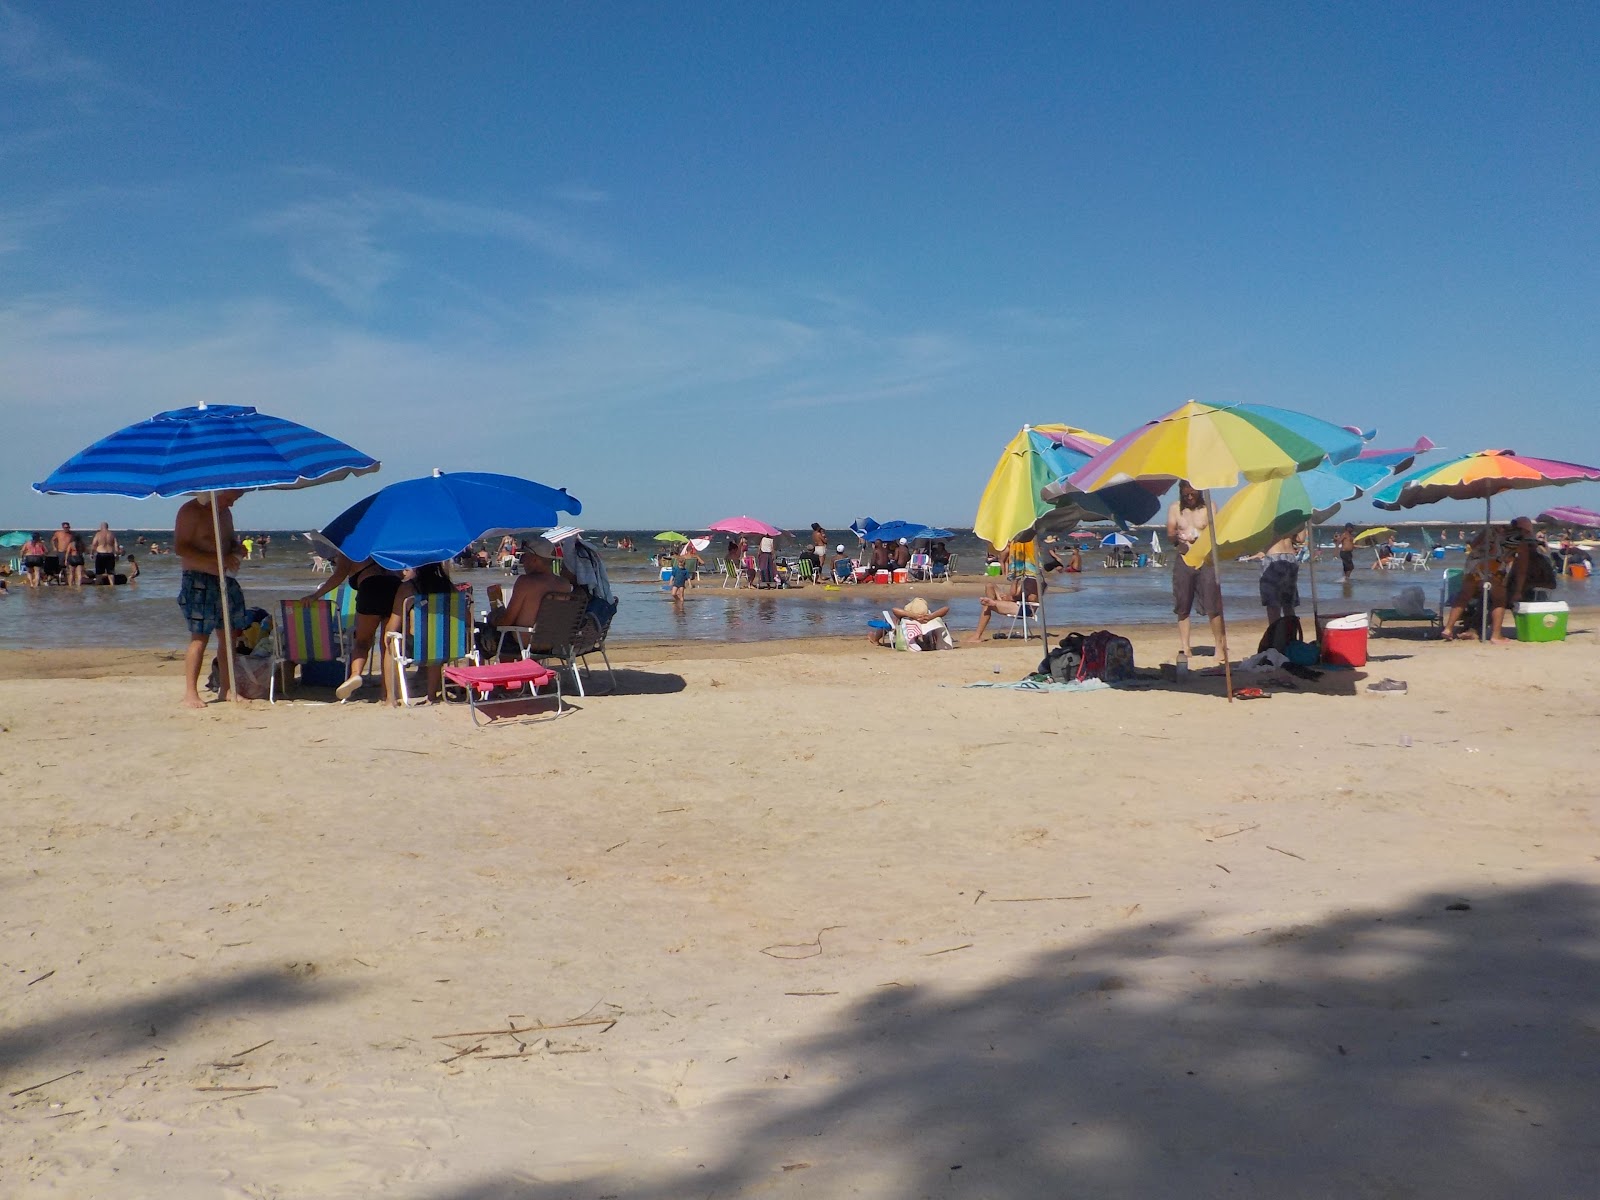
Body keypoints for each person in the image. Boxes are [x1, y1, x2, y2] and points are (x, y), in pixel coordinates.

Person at [174, 489, 247, 708]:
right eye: (229, 498)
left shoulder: (224, 513)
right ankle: (190, 692)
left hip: (225, 578)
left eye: (235, 500)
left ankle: (227, 688)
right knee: (200, 637)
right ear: (216, 492)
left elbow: (229, 541)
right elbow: (182, 548)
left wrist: (236, 550)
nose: (231, 504)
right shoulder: (191, 511)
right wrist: (219, 558)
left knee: (229, 636)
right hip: (198, 579)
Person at [306, 552, 402, 701]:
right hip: (395, 589)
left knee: (362, 642)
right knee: (388, 644)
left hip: (371, 590)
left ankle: (355, 674)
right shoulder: (385, 548)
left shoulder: (352, 550)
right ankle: (389, 696)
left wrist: (316, 595)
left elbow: (338, 577)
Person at [1166, 480, 1224, 661]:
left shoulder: (1209, 507)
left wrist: (1201, 538)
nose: (1189, 497)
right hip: (1184, 559)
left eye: (1192, 494)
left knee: (1212, 605)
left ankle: (1219, 646)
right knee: (1182, 605)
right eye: (1186, 495)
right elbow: (1169, 533)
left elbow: (1219, 532)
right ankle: (1185, 646)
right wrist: (1179, 538)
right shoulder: (1175, 508)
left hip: (1205, 560)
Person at [488, 538, 575, 657]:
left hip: (526, 642)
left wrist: (493, 617)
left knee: (486, 633)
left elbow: (507, 621)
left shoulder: (525, 582)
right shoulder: (564, 584)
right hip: (553, 643)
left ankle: (504, 673)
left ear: (535, 559)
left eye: (524, 557)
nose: (522, 561)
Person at [385, 560, 456, 703]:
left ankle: (390, 697)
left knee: (391, 642)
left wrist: (387, 635)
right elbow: (466, 618)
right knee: (436, 640)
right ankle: (431, 696)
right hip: (448, 648)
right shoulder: (449, 586)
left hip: (418, 649)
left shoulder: (408, 588)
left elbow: (393, 625)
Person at [974, 572, 1044, 642]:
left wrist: (1012, 596)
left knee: (988, 604)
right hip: (1016, 603)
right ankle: (994, 602)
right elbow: (1015, 594)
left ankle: (977, 636)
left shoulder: (1034, 581)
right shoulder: (1026, 580)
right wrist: (1015, 582)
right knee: (990, 586)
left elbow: (1031, 598)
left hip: (1026, 608)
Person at [872, 596, 955, 649]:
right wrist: (931, 616)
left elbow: (894, 610)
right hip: (924, 627)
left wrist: (913, 615)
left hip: (906, 629)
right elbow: (946, 608)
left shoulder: (907, 617)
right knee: (940, 622)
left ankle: (875, 640)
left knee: (890, 621)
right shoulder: (928, 618)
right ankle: (926, 642)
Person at [1259, 530, 1303, 626]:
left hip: (1273, 555)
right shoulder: (1293, 516)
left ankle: (1275, 636)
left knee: (1273, 604)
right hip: (1291, 557)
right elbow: (1300, 539)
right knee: (1288, 603)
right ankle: (1291, 636)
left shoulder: (1268, 515)